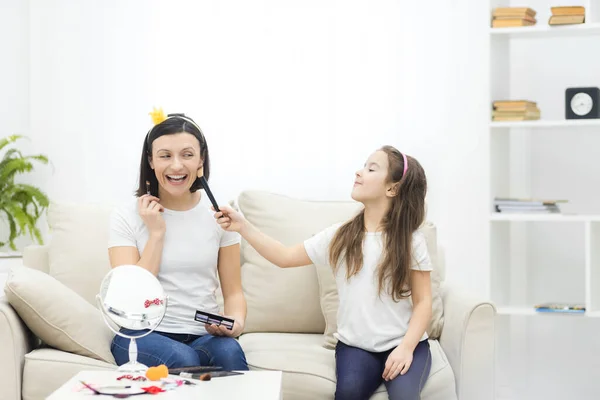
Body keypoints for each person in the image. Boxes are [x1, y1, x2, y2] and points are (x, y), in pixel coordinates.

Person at [213, 145, 432, 399]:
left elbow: (423, 301)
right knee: (348, 393)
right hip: (355, 347)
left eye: (371, 168)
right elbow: (284, 257)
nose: (359, 172)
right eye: (363, 166)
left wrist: (406, 348)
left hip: (406, 343)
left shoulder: (411, 241)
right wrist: (242, 225)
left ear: (392, 189)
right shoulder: (340, 235)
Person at [107, 109, 249, 370]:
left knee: (229, 352)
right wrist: (157, 233)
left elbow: (234, 292)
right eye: (165, 156)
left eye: (187, 154)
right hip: (141, 335)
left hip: (203, 334)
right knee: (184, 359)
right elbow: (129, 293)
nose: (176, 165)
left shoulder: (219, 213)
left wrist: (235, 323)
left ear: (200, 160)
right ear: (150, 160)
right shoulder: (125, 215)